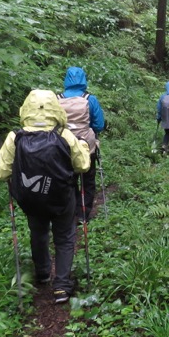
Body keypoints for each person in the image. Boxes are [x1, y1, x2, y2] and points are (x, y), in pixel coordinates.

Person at [0, 89, 91, 304]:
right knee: (64, 237)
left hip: (31, 199)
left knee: (38, 233)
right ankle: (62, 287)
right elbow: (83, 165)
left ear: (26, 108)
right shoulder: (63, 134)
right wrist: (82, 145)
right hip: (62, 197)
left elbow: (0, 172)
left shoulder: (15, 136)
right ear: (56, 108)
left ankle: (43, 273)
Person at [58, 66, 106, 222]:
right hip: (86, 146)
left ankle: (70, 211)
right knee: (88, 180)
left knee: (68, 180)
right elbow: (99, 125)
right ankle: (83, 214)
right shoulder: (89, 99)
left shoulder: (57, 98)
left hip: (63, 146)